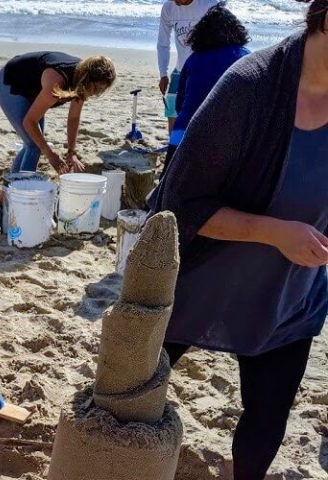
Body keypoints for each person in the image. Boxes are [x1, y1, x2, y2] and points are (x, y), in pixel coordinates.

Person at [149, 0, 328, 477]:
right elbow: (178, 202)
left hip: (288, 293)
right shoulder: (250, 88)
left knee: (268, 418)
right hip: (198, 280)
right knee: (130, 392)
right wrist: (274, 232)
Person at [0, 52, 116, 174]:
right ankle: (23, 189)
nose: (95, 93)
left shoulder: (81, 81)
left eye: (101, 91)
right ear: (87, 78)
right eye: (96, 88)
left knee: (32, 144)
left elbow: (73, 118)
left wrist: (71, 152)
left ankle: (8, 190)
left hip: (32, 88)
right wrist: (51, 155)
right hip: (11, 79)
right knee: (34, 145)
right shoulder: (57, 82)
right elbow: (29, 122)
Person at [164, 2, 250, 172]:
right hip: (229, 139)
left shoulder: (193, 60)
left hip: (183, 135)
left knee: (166, 187)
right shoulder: (247, 58)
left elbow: (180, 105)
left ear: (201, 34)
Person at [157, 0, 217, 133]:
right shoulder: (168, 7)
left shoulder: (209, 4)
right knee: (171, 108)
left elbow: (220, 42)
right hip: (180, 69)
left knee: (200, 112)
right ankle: (174, 148)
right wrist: (163, 73)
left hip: (203, 70)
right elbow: (163, 42)